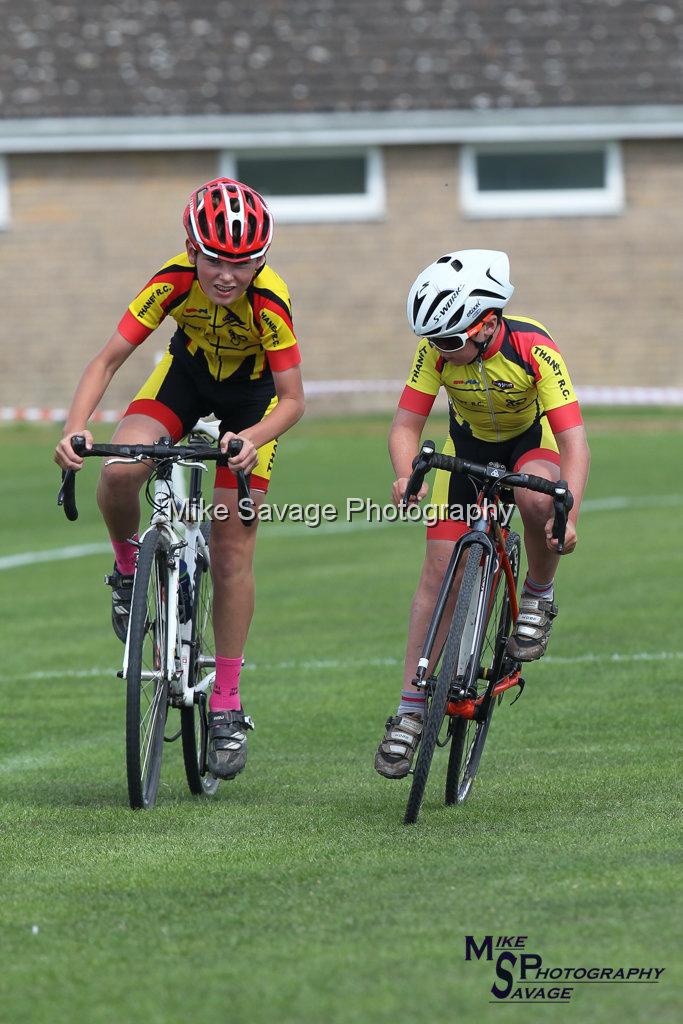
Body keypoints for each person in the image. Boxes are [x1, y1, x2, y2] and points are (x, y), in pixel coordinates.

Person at [55, 177, 305, 781]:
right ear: (192, 248)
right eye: (216, 258)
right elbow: (107, 359)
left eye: (243, 263)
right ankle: (125, 569)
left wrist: (253, 440)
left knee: (229, 546)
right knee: (119, 472)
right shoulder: (171, 280)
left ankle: (226, 703)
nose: (228, 275)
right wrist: (75, 427)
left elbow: (294, 400)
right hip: (185, 378)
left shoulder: (270, 301)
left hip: (253, 401)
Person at [374, 249, 590, 779]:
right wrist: (406, 475)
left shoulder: (533, 347)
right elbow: (405, 427)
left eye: (449, 340)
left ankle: (537, 595)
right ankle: (409, 709)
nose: (439, 350)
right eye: (433, 341)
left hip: (528, 445)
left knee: (540, 498)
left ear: (486, 321)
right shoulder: (437, 352)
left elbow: (574, 442)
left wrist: (570, 513)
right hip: (466, 450)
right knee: (435, 568)